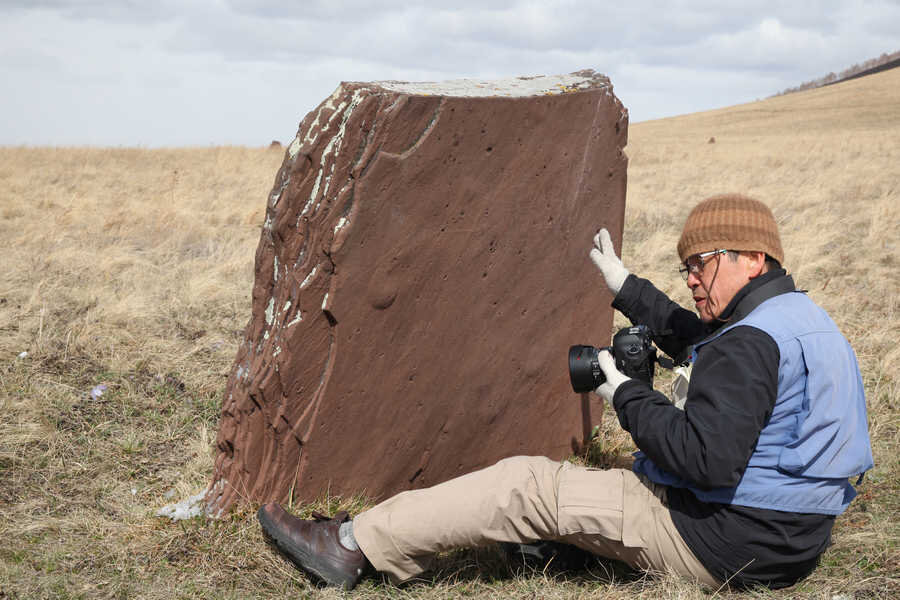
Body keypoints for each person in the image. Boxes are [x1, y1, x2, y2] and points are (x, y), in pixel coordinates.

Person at [257, 193, 874, 590]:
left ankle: (352, 543)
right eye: (686, 266)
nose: (690, 279)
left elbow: (704, 462)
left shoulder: (747, 344)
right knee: (594, 493)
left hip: (726, 542)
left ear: (754, 258)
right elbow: (699, 343)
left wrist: (625, 393)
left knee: (525, 485)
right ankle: (576, 552)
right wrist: (626, 285)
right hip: (795, 543)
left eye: (701, 263)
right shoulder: (800, 323)